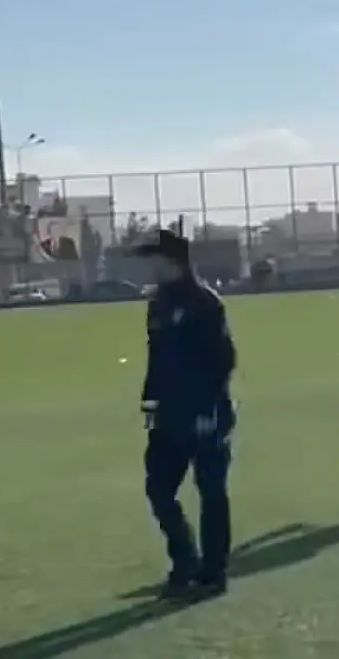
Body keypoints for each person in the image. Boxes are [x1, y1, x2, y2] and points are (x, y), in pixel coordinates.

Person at [135, 229, 237, 598]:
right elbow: (156, 357)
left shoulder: (205, 303)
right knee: (158, 489)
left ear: (174, 261)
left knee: (211, 491)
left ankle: (213, 573)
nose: (151, 266)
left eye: (155, 259)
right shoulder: (158, 303)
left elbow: (224, 360)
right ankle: (185, 561)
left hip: (206, 412)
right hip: (169, 414)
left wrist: (209, 409)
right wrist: (150, 402)